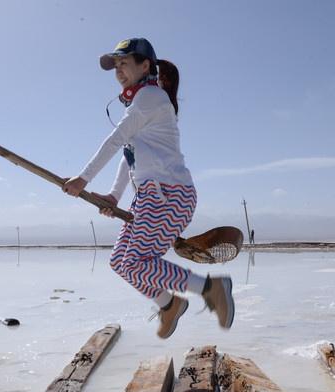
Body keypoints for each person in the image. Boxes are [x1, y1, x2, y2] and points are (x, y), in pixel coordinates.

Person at [62, 38, 234, 338]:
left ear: (145, 66)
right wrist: (114, 196)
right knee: (120, 262)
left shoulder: (150, 97)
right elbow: (129, 155)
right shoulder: (141, 102)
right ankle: (169, 304)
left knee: (136, 263)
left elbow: (115, 140)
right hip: (149, 197)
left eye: (124, 63)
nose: (118, 71)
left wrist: (83, 179)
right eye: (116, 65)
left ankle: (211, 288)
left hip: (170, 195)